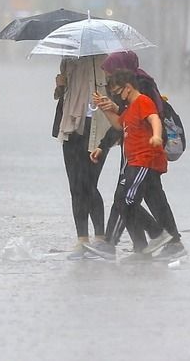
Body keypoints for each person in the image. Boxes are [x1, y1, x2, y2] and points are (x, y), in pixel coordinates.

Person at [85, 51, 186, 261]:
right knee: (153, 198)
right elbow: (123, 122)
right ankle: (159, 244)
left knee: (124, 198)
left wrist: (156, 137)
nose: (110, 80)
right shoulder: (128, 91)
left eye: (112, 74)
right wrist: (104, 141)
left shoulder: (142, 88)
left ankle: (125, 242)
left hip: (144, 153)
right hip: (136, 151)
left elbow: (149, 117)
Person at [53, 55, 113, 260]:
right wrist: (60, 86)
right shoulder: (68, 59)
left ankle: (100, 237)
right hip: (71, 126)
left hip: (98, 128)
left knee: (89, 184)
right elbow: (61, 95)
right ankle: (82, 239)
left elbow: (117, 94)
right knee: (75, 186)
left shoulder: (105, 61)